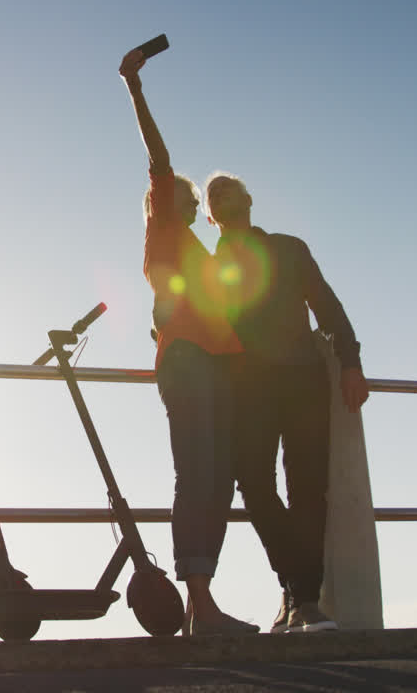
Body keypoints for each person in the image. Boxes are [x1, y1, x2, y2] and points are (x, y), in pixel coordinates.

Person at [119, 47, 258, 636]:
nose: (192, 202)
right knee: (197, 475)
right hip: (191, 365)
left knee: (218, 477)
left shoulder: (192, 249)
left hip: (215, 364)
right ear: (162, 199)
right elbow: (159, 156)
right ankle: (199, 604)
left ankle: (206, 606)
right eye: (185, 194)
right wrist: (135, 87)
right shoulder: (165, 228)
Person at [206, 172, 370, 633]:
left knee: (306, 489)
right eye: (213, 194)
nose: (220, 193)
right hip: (248, 390)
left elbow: (328, 308)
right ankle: (298, 589)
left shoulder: (288, 248)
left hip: (303, 381)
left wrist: (351, 363)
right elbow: (195, 322)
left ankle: (304, 601)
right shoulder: (208, 268)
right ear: (211, 215)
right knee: (255, 485)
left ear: (249, 200)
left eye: (228, 187)